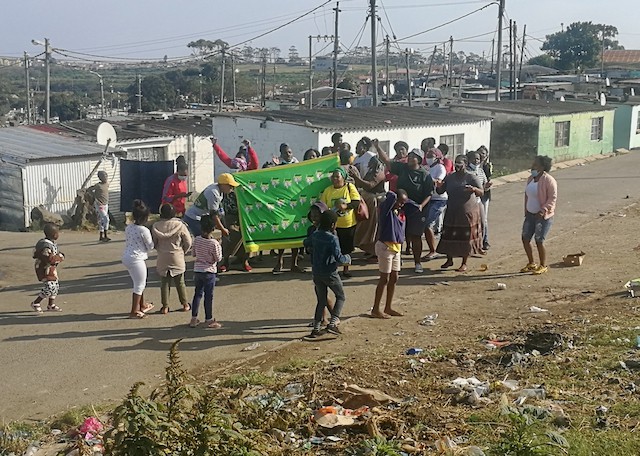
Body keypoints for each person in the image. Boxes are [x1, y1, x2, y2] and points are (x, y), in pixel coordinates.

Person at [376, 142, 434, 273]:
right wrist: (377, 146)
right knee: (398, 234)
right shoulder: (402, 168)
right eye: (409, 156)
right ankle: (398, 258)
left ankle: (417, 263)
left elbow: (429, 194)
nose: (409, 158)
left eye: (413, 156)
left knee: (415, 236)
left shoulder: (425, 175)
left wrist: (421, 206)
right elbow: (386, 160)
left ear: (418, 159)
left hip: (417, 209)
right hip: (401, 206)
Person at [303, 210, 351, 338]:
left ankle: (316, 329)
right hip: (330, 272)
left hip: (316, 272)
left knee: (321, 300)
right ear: (332, 225)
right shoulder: (332, 238)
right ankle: (333, 322)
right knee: (341, 296)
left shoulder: (315, 234)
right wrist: (348, 259)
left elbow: (306, 243)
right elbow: (338, 257)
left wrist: (311, 249)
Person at [371, 190, 418, 319]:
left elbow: (415, 207)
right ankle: (375, 309)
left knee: (394, 278)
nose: (401, 205)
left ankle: (388, 307)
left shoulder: (401, 213)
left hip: (396, 248)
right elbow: (390, 196)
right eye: (399, 202)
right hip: (385, 247)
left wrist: (404, 200)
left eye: (403, 203)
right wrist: (396, 197)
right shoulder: (386, 212)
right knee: (384, 279)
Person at [435, 155, 484, 272]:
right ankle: (449, 259)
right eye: (456, 163)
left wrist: (474, 190)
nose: (457, 165)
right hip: (452, 210)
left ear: (465, 164)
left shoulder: (471, 177)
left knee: (465, 237)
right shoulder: (450, 177)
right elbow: (441, 190)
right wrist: (439, 186)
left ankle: (464, 262)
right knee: (449, 235)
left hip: (467, 211)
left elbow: (481, 192)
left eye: (460, 163)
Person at [320, 168, 361, 278]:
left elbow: (356, 202)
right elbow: (322, 205)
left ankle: (346, 269)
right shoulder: (328, 190)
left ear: (343, 177)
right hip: (333, 226)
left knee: (346, 248)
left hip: (348, 224)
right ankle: (333, 269)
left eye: (337, 177)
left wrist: (346, 206)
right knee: (333, 248)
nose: (335, 179)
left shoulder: (349, 187)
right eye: (333, 177)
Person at [152, 203, 193, 314]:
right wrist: (183, 251)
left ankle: (165, 306)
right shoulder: (180, 225)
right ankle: (185, 304)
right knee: (180, 282)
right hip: (177, 256)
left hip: (162, 257)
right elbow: (188, 242)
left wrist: (160, 249)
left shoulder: (156, 226)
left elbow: (154, 243)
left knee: (164, 283)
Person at [521, 155, 557, 275]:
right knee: (525, 239)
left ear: (542, 167)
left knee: (539, 241)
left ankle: (543, 265)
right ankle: (531, 263)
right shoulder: (531, 178)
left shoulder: (549, 180)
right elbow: (527, 195)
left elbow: (552, 198)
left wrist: (543, 210)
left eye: (535, 165)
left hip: (542, 216)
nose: (532, 167)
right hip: (530, 215)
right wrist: (526, 211)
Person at [272, 145, 303, 273]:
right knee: (283, 233)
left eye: (290, 152)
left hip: (296, 204)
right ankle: (279, 262)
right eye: (286, 153)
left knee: (295, 234)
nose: (288, 155)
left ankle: (293, 264)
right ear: (281, 154)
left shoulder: (298, 165)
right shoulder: (278, 166)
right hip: (282, 204)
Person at [121, 200, 155, 319]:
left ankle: (142, 305)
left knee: (138, 282)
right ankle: (134, 311)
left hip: (127, 256)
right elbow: (150, 246)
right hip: (137, 259)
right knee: (140, 284)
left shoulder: (129, 227)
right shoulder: (144, 230)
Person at [189, 215, 223, 329]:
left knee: (197, 294)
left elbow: (193, 254)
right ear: (213, 229)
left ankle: (193, 318)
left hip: (198, 270)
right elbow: (218, 258)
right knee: (209, 296)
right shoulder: (214, 243)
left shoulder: (197, 239)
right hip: (209, 272)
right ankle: (209, 319)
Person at [350, 155, 386, 258]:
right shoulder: (370, 172)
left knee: (373, 228)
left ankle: (375, 252)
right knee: (366, 227)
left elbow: (370, 185)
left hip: (375, 202)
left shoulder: (379, 172)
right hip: (367, 201)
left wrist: (357, 178)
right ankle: (369, 249)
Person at [306, 201, 335, 325]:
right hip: (316, 265)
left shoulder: (330, 231)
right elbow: (308, 246)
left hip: (328, 267)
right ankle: (327, 318)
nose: (314, 218)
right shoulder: (311, 229)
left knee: (322, 293)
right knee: (320, 293)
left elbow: (334, 248)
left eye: (317, 216)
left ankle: (332, 317)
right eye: (312, 216)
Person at [183, 173, 239, 238]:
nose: (232, 188)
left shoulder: (218, 189)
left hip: (201, 217)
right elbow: (214, 215)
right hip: (194, 218)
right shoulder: (213, 193)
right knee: (203, 240)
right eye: (230, 186)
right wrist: (222, 229)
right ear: (223, 185)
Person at [31, 223, 65, 313]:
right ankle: (36, 302)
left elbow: (55, 253)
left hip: (51, 268)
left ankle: (51, 304)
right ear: (54, 234)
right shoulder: (45, 245)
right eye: (58, 233)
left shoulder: (51, 243)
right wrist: (60, 258)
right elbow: (49, 258)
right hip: (44, 268)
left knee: (55, 286)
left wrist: (59, 256)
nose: (59, 234)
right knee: (49, 286)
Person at [423, 147, 448, 259]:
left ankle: (433, 250)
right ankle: (432, 249)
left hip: (439, 199)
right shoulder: (426, 168)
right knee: (426, 224)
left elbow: (439, 182)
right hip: (429, 198)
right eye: (427, 156)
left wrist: (427, 179)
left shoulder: (440, 168)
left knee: (428, 224)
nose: (428, 158)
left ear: (437, 157)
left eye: (431, 156)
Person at [466, 149, 491, 254]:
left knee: (482, 222)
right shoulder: (466, 171)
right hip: (468, 201)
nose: (477, 161)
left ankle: (481, 244)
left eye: (478, 159)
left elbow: (483, 187)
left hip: (478, 200)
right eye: (474, 159)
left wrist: (487, 187)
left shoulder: (480, 171)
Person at [87, 170, 110, 242]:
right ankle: (103, 235)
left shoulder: (107, 184)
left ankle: (103, 236)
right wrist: (94, 197)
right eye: (104, 176)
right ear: (100, 178)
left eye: (106, 176)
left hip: (105, 204)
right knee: (106, 219)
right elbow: (89, 189)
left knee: (102, 220)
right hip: (99, 204)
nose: (105, 178)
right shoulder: (98, 185)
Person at [478, 146, 493, 250]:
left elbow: (488, 178)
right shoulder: (472, 165)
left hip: (485, 195)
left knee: (484, 219)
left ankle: (485, 240)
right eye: (480, 153)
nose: (481, 155)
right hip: (475, 195)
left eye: (484, 153)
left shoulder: (487, 166)